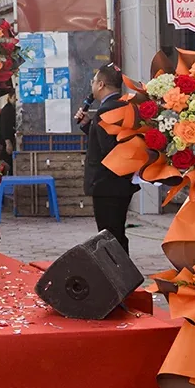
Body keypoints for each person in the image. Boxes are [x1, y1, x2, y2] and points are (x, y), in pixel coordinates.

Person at [77, 65, 136, 253]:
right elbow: (110, 141)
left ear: (101, 84)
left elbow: (108, 149)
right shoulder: (125, 105)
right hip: (121, 183)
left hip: (106, 184)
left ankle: (118, 277)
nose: (92, 85)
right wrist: (89, 125)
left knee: (109, 235)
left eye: (94, 81)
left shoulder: (106, 110)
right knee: (117, 233)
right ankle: (123, 275)